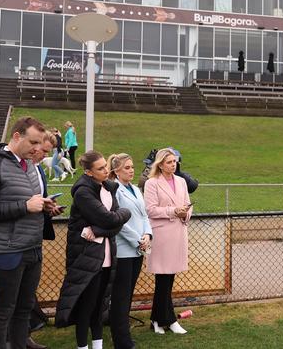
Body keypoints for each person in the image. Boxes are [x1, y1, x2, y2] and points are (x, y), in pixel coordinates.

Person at [0, 117, 56, 349]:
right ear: (17, 136)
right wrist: (25, 207)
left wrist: (43, 206)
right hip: (5, 252)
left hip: (32, 249)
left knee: (23, 309)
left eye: (40, 143)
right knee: (3, 312)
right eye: (33, 142)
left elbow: (27, 201)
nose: (38, 149)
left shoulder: (29, 165)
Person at [55, 151, 131, 349]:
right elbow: (110, 219)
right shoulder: (83, 192)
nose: (106, 171)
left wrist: (97, 229)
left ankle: (98, 346)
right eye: (100, 169)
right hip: (87, 258)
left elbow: (117, 221)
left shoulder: (108, 188)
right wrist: (116, 218)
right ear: (88, 172)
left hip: (106, 255)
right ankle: (82, 347)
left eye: (105, 166)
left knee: (99, 307)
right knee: (86, 307)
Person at [143, 148, 192, 335]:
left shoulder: (181, 181)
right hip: (162, 235)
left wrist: (185, 213)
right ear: (160, 164)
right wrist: (173, 211)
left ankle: (157, 319)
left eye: (175, 161)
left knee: (169, 279)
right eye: (169, 162)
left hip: (178, 232)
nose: (173, 165)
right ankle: (169, 320)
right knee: (163, 279)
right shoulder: (152, 183)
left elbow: (187, 204)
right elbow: (151, 210)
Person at [107, 153, 152, 349]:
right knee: (120, 297)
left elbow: (144, 216)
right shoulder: (113, 189)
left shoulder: (135, 189)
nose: (132, 170)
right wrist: (137, 239)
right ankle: (121, 340)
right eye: (127, 167)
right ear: (116, 171)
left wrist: (148, 235)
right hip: (124, 249)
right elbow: (117, 220)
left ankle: (124, 334)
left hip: (139, 249)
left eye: (132, 167)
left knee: (128, 294)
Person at [25, 131, 63, 349]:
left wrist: (49, 208)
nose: (43, 155)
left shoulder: (38, 167)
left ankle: (24, 336)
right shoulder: (20, 167)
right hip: (17, 238)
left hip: (36, 234)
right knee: (15, 296)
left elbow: (39, 199)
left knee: (28, 290)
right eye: (44, 151)